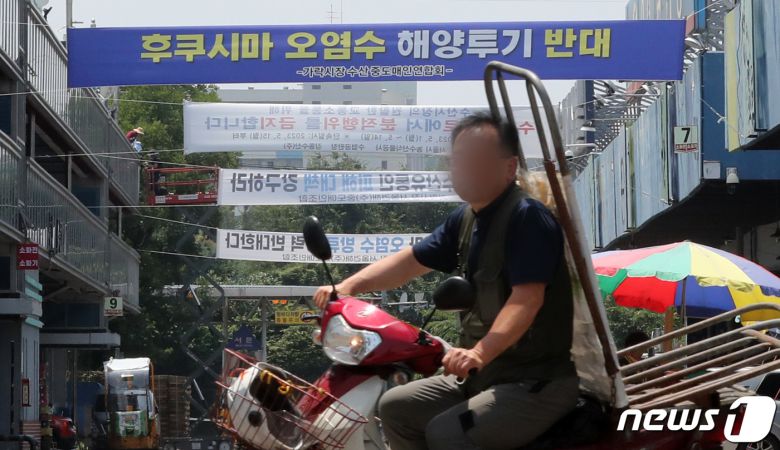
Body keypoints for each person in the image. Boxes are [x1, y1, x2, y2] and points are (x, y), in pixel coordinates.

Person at [313, 112, 579, 449]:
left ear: (509, 167)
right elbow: (412, 260)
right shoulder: (467, 219)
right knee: (396, 407)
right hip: (486, 376)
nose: (463, 169)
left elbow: (527, 300)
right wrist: (348, 287)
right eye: (458, 160)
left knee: (449, 431)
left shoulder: (527, 217)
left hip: (535, 381)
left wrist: (479, 353)